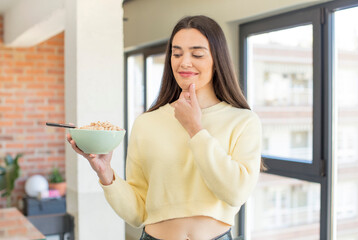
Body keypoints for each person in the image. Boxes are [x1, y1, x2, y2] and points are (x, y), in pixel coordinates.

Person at [67, 15, 262, 240]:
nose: (184, 62)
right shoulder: (146, 123)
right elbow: (138, 213)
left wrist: (195, 129)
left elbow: (235, 192)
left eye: (197, 54)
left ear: (217, 59)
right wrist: (105, 172)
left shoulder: (243, 121)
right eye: (176, 54)